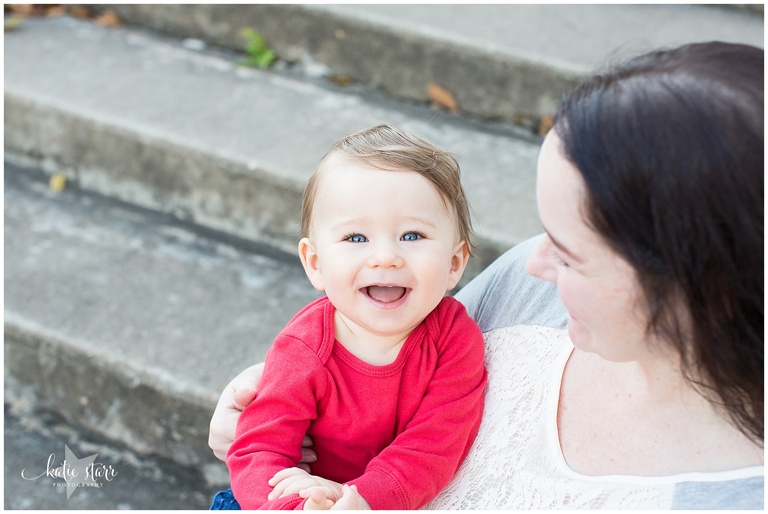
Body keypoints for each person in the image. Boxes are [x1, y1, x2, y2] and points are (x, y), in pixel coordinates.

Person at [209, 42, 764, 509]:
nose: (532, 264)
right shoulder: (522, 289)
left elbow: (428, 437)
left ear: (695, 280)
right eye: (544, 228)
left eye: (570, 251)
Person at [212, 124, 488, 510]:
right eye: (356, 238)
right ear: (315, 263)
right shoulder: (304, 348)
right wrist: (296, 507)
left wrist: (361, 501)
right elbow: (259, 448)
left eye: (412, 236)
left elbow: (431, 448)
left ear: (455, 262)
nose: (385, 256)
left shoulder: (454, 340)